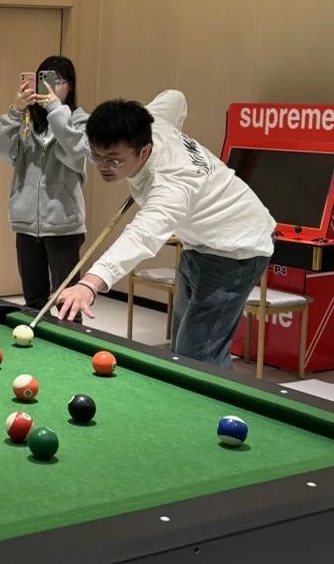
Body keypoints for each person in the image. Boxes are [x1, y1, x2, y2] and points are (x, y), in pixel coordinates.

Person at [55, 91, 275, 368]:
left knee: (198, 356)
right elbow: (175, 97)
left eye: (113, 160)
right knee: (181, 348)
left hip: (238, 247)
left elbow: (141, 236)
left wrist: (90, 283)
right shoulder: (154, 120)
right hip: (199, 243)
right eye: (96, 156)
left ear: (144, 151)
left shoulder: (171, 184)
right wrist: (174, 132)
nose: (103, 167)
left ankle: (216, 396)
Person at [0, 55, 89, 314]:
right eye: (44, 80)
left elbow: (76, 152)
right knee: (33, 302)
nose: (51, 87)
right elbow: (1, 149)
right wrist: (15, 111)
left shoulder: (80, 120)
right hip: (26, 224)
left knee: (67, 305)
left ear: (70, 86)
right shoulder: (26, 120)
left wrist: (56, 110)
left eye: (58, 81)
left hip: (64, 224)